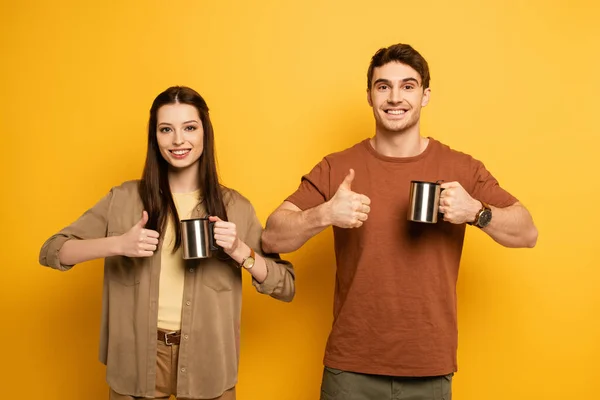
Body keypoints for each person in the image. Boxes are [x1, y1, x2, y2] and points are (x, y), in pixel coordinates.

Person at [261, 43, 537, 400]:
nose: (395, 97)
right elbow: (272, 237)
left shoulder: (462, 168)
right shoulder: (336, 166)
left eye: (408, 86)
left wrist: (476, 213)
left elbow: (527, 232)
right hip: (350, 368)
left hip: (429, 368)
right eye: (383, 86)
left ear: (425, 95)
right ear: (369, 96)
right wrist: (325, 213)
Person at [39, 86, 295, 400]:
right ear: (154, 136)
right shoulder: (124, 198)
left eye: (189, 127)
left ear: (205, 133)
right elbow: (52, 250)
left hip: (208, 362)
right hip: (137, 357)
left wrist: (241, 252)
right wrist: (119, 244)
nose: (178, 140)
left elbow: (286, 286)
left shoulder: (235, 207)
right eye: (166, 129)